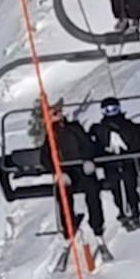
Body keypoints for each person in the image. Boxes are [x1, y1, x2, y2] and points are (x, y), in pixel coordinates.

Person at [39, 101, 105, 242]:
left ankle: (97, 225)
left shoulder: (74, 128)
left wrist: (88, 160)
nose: (59, 116)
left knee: (92, 188)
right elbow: (45, 158)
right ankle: (68, 227)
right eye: (54, 114)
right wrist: (57, 172)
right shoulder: (50, 137)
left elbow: (87, 145)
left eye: (59, 113)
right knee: (62, 192)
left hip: (81, 169)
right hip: (66, 172)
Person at [89, 97, 140, 228]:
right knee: (115, 185)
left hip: (127, 161)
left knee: (129, 182)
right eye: (108, 110)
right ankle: (122, 209)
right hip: (110, 163)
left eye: (114, 109)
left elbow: (136, 141)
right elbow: (95, 147)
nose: (111, 112)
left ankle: (134, 208)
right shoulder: (99, 128)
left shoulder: (128, 125)